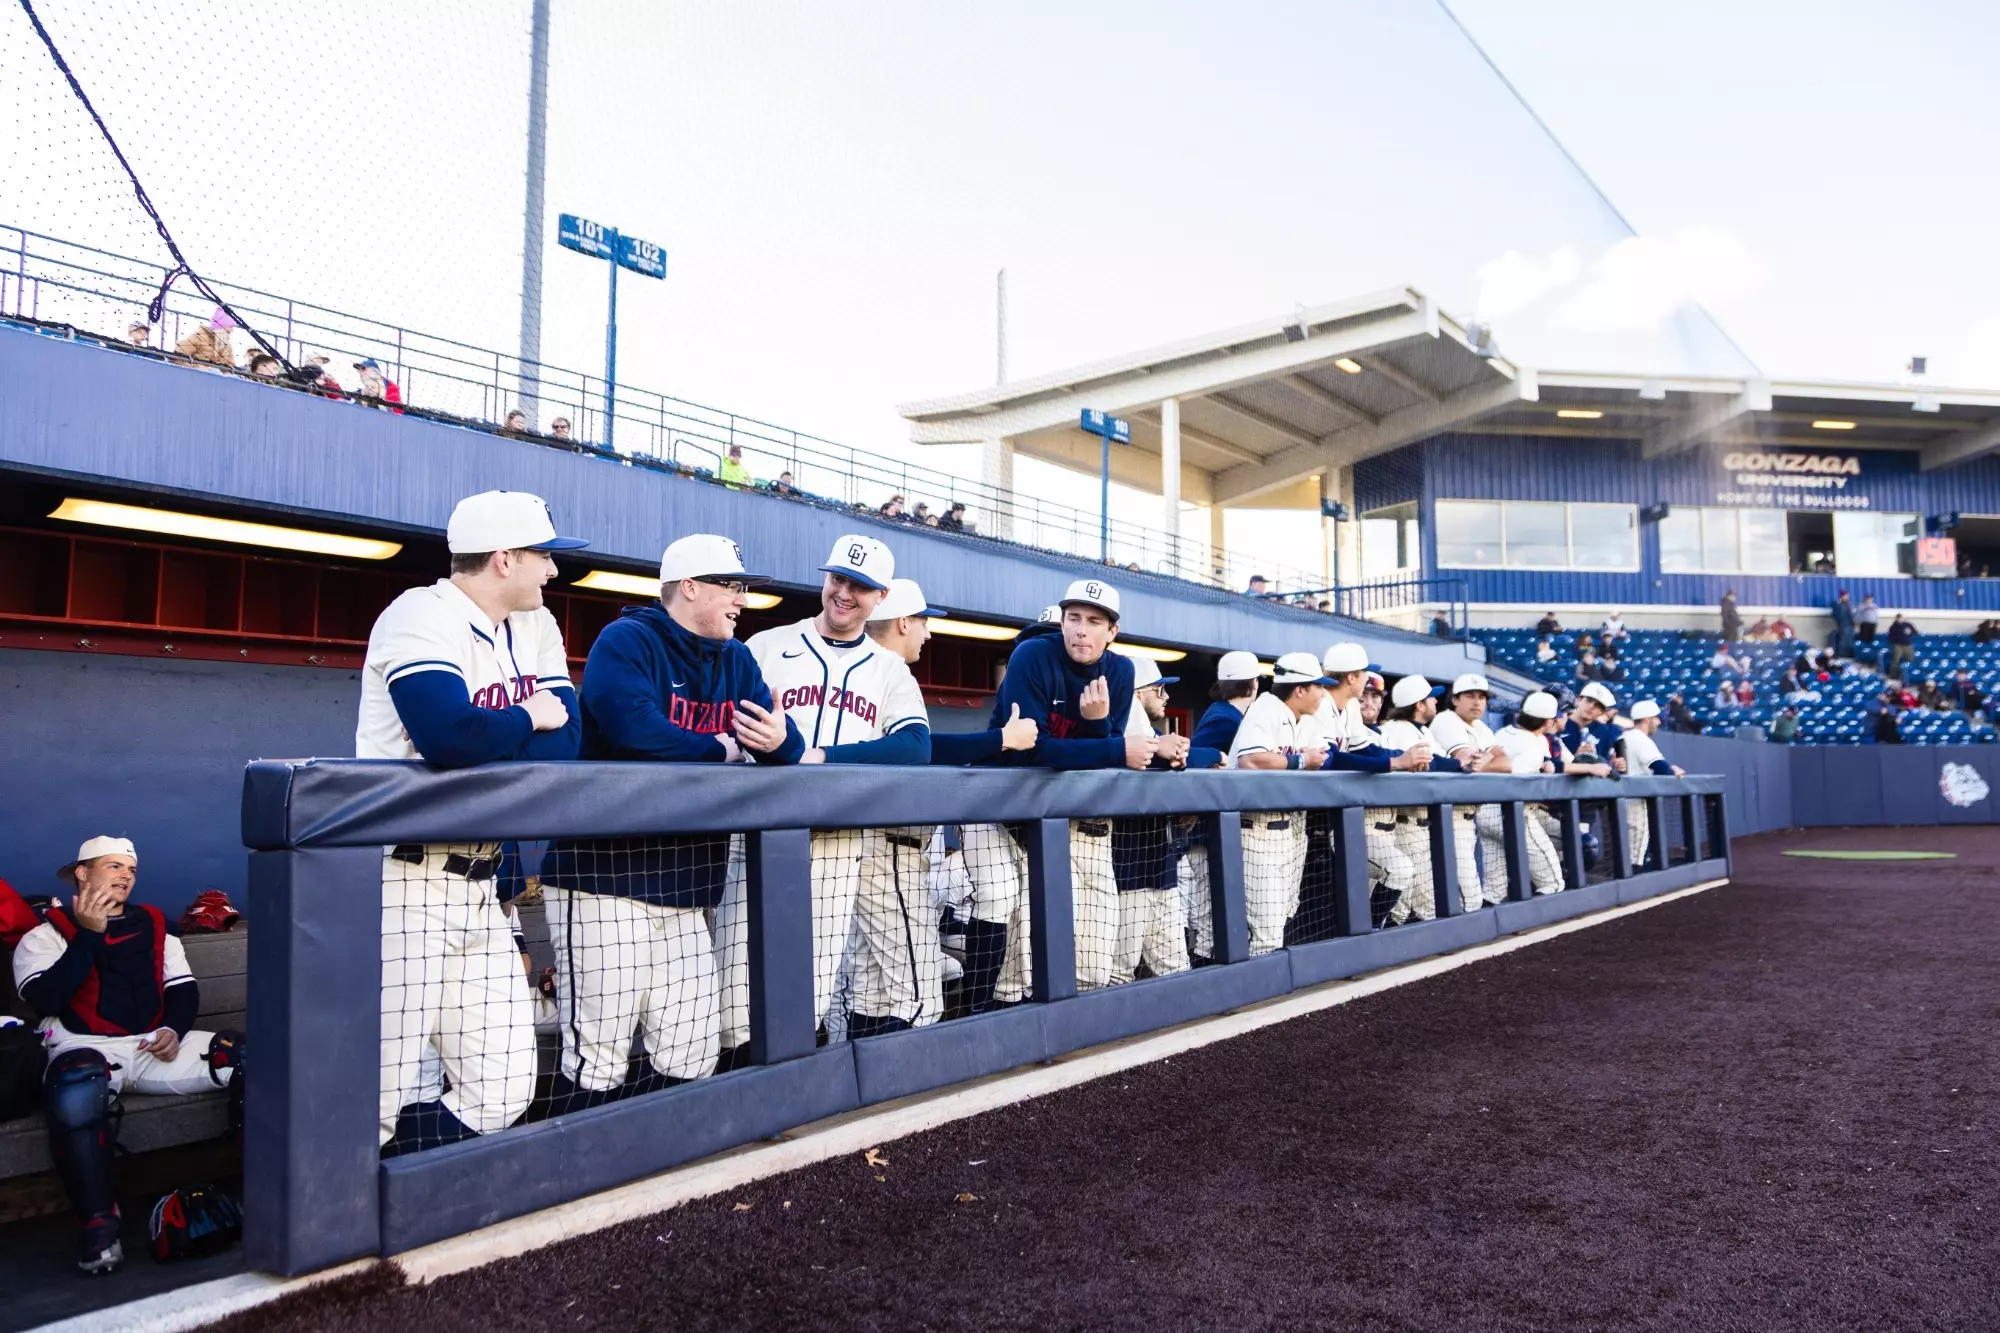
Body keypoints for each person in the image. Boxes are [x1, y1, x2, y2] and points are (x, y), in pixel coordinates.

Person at [355, 490, 588, 1155]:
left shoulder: (536, 625)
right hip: (402, 880)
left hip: (482, 885)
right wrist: (525, 718)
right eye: (543, 555)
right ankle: (340, 1241)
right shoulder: (418, 615)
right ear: (503, 557)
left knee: (505, 1086)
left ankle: (402, 1193)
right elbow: (448, 735)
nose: (552, 570)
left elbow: (566, 746)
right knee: (377, 1090)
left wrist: (505, 733)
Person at [537, 534, 802, 1104]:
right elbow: (636, 730)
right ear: (689, 587)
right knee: (600, 1051)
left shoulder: (738, 657)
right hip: (603, 879)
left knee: (692, 1047)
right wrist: (724, 750)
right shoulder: (627, 639)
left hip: (687, 886)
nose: (743, 599)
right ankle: (586, 1179)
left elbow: (779, 739)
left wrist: (780, 741)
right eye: (732, 586)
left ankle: (657, 1169)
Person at [722, 537, 930, 1057]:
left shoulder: (889, 669)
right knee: (734, 994)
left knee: (809, 994)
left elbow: (914, 746)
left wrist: (820, 757)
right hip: (757, 837)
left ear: (881, 597)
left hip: (838, 845)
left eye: (859, 586)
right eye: (837, 579)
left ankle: (791, 1116)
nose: (843, 593)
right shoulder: (766, 645)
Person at [12, 837, 243, 1274]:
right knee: (76, 1086)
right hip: (86, 1048)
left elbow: (181, 990)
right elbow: (46, 998)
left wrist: (174, 1030)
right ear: (82, 872)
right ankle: (99, 1223)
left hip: (155, 1046)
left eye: (131, 870)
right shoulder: (43, 935)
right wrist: (89, 935)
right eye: (113, 866)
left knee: (246, 1055)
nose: (124, 876)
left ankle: (261, 1195)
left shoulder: (155, 925)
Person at [954, 580, 1150, 1010]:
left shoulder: (1121, 672)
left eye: (1094, 621)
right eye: (1074, 618)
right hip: (1002, 799)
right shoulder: (1033, 655)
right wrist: (1113, 745)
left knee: (1092, 960)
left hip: (1064, 816)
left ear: (1112, 632)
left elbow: (1101, 763)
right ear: (1061, 621)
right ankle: (979, 1009)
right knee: (1010, 922)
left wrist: (1100, 728)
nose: (1081, 629)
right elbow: (1030, 747)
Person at [839, 577, 954, 1035]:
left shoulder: (872, 670)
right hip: (887, 846)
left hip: (870, 845)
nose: (928, 633)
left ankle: (867, 1086)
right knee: (921, 991)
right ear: (904, 621)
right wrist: (999, 740)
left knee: (871, 981)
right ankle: (925, 1102)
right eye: (924, 623)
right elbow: (919, 747)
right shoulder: (884, 671)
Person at [1108, 656, 1209, 987]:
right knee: (1116, 972)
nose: (1165, 697)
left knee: (1176, 969)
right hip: (1127, 870)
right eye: (1158, 689)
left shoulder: (1154, 736)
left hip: (1162, 869)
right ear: (1137, 694)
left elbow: (1185, 756)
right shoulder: (1121, 733)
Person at [1226, 652, 1334, 954]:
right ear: (1299, 689)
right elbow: (1250, 761)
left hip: (1291, 832)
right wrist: (1300, 760)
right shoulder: (1267, 708)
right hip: (1255, 829)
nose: (1323, 693)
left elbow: (1327, 758)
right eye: (1319, 686)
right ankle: (1255, 997)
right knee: (1267, 934)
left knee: (1283, 917)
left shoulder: (1307, 720)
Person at [1175, 650, 1262, 962]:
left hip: (1210, 823)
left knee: (1210, 902)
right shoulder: (1224, 718)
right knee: (1209, 903)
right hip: (1204, 825)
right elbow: (1194, 761)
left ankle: (1205, 956)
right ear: (1252, 684)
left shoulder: (1228, 713)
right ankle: (1203, 961)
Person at [1374, 675, 1477, 921]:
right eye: (1431, 698)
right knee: (1399, 907)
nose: (1435, 702)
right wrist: (1458, 762)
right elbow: (1431, 762)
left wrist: (1460, 763)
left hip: (1420, 825)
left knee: (1425, 904)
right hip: (1403, 823)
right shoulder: (1397, 730)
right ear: (1419, 705)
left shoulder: (1420, 731)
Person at [1427, 673, 1512, 907]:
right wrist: (1484, 761)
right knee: (1465, 893)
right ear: (1455, 699)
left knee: (1464, 889)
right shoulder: (1446, 720)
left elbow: (1507, 764)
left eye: (1482, 697)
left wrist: (1486, 762)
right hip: (1446, 813)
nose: (1477, 702)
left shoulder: (1480, 727)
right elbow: (1469, 761)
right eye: (1470, 696)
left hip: (1467, 814)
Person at [1484, 693, 1578, 895]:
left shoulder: (1503, 733)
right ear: (1548, 721)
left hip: (1484, 813)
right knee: (1552, 883)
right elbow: (1521, 786)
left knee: (1494, 891)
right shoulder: (1532, 745)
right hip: (1513, 813)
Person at [1619, 701, 1684, 870]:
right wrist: (1672, 770)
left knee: (1620, 849)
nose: (1659, 722)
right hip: (1634, 800)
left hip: (1618, 798)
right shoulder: (1641, 739)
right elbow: (1659, 767)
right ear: (1647, 719)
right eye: (1656, 718)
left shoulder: (1623, 736)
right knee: (1635, 852)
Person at [1886, 613, 1917, 678]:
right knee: (1896, 660)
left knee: (1910, 660)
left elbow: (1915, 632)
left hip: (1908, 645)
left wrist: (1910, 632)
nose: (1900, 619)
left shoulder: (1908, 625)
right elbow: (1890, 636)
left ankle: (1910, 675)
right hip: (1898, 645)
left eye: (1901, 618)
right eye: (1899, 618)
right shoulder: (1893, 626)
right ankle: (1894, 675)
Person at [1830, 591, 1856, 658]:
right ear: (1842, 596)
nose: (1847, 597)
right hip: (1843, 625)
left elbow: (1851, 614)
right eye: (1846, 596)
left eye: (1848, 596)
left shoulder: (1848, 604)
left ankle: (1849, 655)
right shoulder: (1838, 604)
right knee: (1843, 641)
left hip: (1851, 625)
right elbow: (1835, 615)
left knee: (1850, 641)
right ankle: (1841, 655)